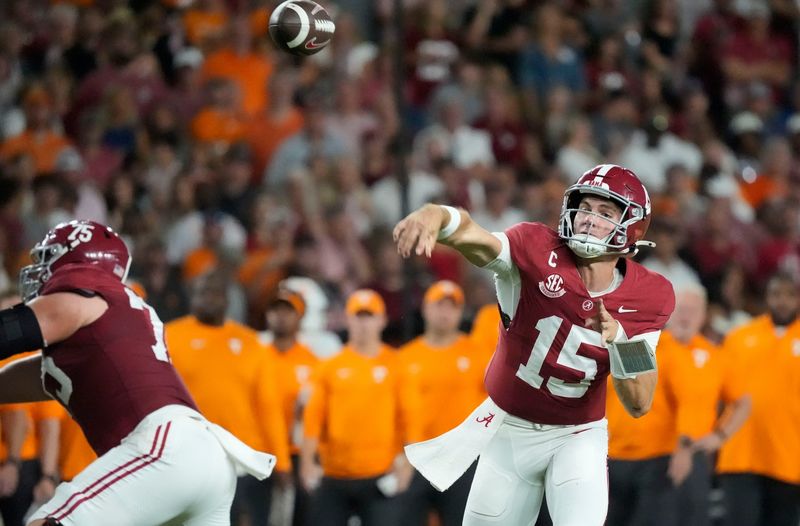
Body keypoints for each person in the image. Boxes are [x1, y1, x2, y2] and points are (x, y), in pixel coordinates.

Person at [393, 164, 675, 525]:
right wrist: (438, 215)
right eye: (585, 208)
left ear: (632, 227)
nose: (589, 220)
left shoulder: (648, 295)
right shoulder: (536, 248)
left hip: (577, 435)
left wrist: (620, 340)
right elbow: (477, 240)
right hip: (508, 429)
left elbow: (639, 402)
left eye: (605, 213)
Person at [0, 220, 275, 525]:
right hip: (208, 462)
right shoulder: (108, 323)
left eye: (47, 258)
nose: (39, 270)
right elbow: (29, 378)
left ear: (75, 258)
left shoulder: (82, 296)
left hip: (164, 449)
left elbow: (10, 331)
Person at [606, 283, 751, 526]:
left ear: (704, 316)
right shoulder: (644, 344)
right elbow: (615, 388)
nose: (686, 316)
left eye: (694, 310)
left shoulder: (712, 355)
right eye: (681, 309)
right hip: (613, 456)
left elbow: (742, 401)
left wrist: (720, 436)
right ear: (670, 312)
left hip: (667, 459)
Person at [166, 270, 291, 526]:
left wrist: (282, 461)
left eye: (215, 292)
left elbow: (268, 406)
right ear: (192, 296)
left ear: (227, 299)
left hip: (241, 457)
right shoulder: (168, 336)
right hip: (187, 455)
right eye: (203, 292)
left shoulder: (251, 342)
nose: (209, 298)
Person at [300, 289, 422, 526]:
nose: (363, 324)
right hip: (334, 473)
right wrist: (307, 462)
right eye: (358, 316)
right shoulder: (330, 367)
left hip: (379, 472)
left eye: (369, 316)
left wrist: (408, 465)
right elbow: (313, 418)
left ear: (382, 320)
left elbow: (411, 418)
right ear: (347, 319)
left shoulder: (397, 365)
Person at [398, 280, 487, 526]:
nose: (445, 313)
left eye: (452, 307)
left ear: (460, 312)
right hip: (417, 456)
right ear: (425, 309)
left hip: (464, 457)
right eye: (439, 305)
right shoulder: (405, 357)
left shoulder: (478, 354)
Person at [716, 272, 800, 526]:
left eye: (789, 295)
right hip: (740, 454)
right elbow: (718, 391)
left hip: (790, 457)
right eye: (776, 295)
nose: (782, 301)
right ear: (766, 298)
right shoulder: (738, 337)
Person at [263, 287, 319, 526]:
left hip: (296, 452)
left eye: (288, 311)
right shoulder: (256, 356)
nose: (281, 317)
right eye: (276, 311)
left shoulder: (312, 362)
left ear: (300, 317)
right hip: (260, 449)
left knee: (300, 518)